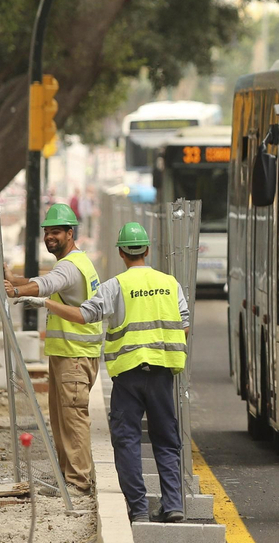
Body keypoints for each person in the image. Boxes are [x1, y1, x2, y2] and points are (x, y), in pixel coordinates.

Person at [15, 222, 190, 523]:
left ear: (121, 252)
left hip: (128, 375)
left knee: (127, 440)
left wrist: (46, 303)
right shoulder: (170, 284)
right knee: (166, 439)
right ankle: (173, 505)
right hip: (162, 374)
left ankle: (138, 509)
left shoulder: (115, 286)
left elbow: (83, 315)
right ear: (147, 250)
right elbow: (184, 326)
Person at [3, 203, 102, 495]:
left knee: (72, 418)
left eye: (56, 232)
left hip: (74, 356)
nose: (50, 237)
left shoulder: (69, 267)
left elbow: (48, 283)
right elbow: (47, 280)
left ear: (71, 233)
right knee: (62, 419)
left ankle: (79, 481)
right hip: (69, 355)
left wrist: (18, 291)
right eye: (47, 232)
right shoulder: (76, 262)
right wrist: (15, 279)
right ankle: (69, 476)